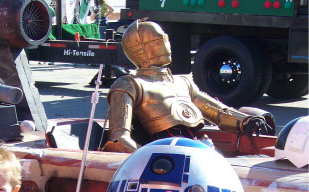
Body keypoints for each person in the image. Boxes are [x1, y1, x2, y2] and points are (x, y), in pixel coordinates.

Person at [102, 19, 270, 153]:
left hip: (196, 150)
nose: (167, 45)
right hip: (162, 157)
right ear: (140, 48)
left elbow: (218, 112)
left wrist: (245, 121)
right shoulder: (129, 84)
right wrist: (149, 159)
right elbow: (118, 139)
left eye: (165, 39)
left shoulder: (182, 82)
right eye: (160, 40)